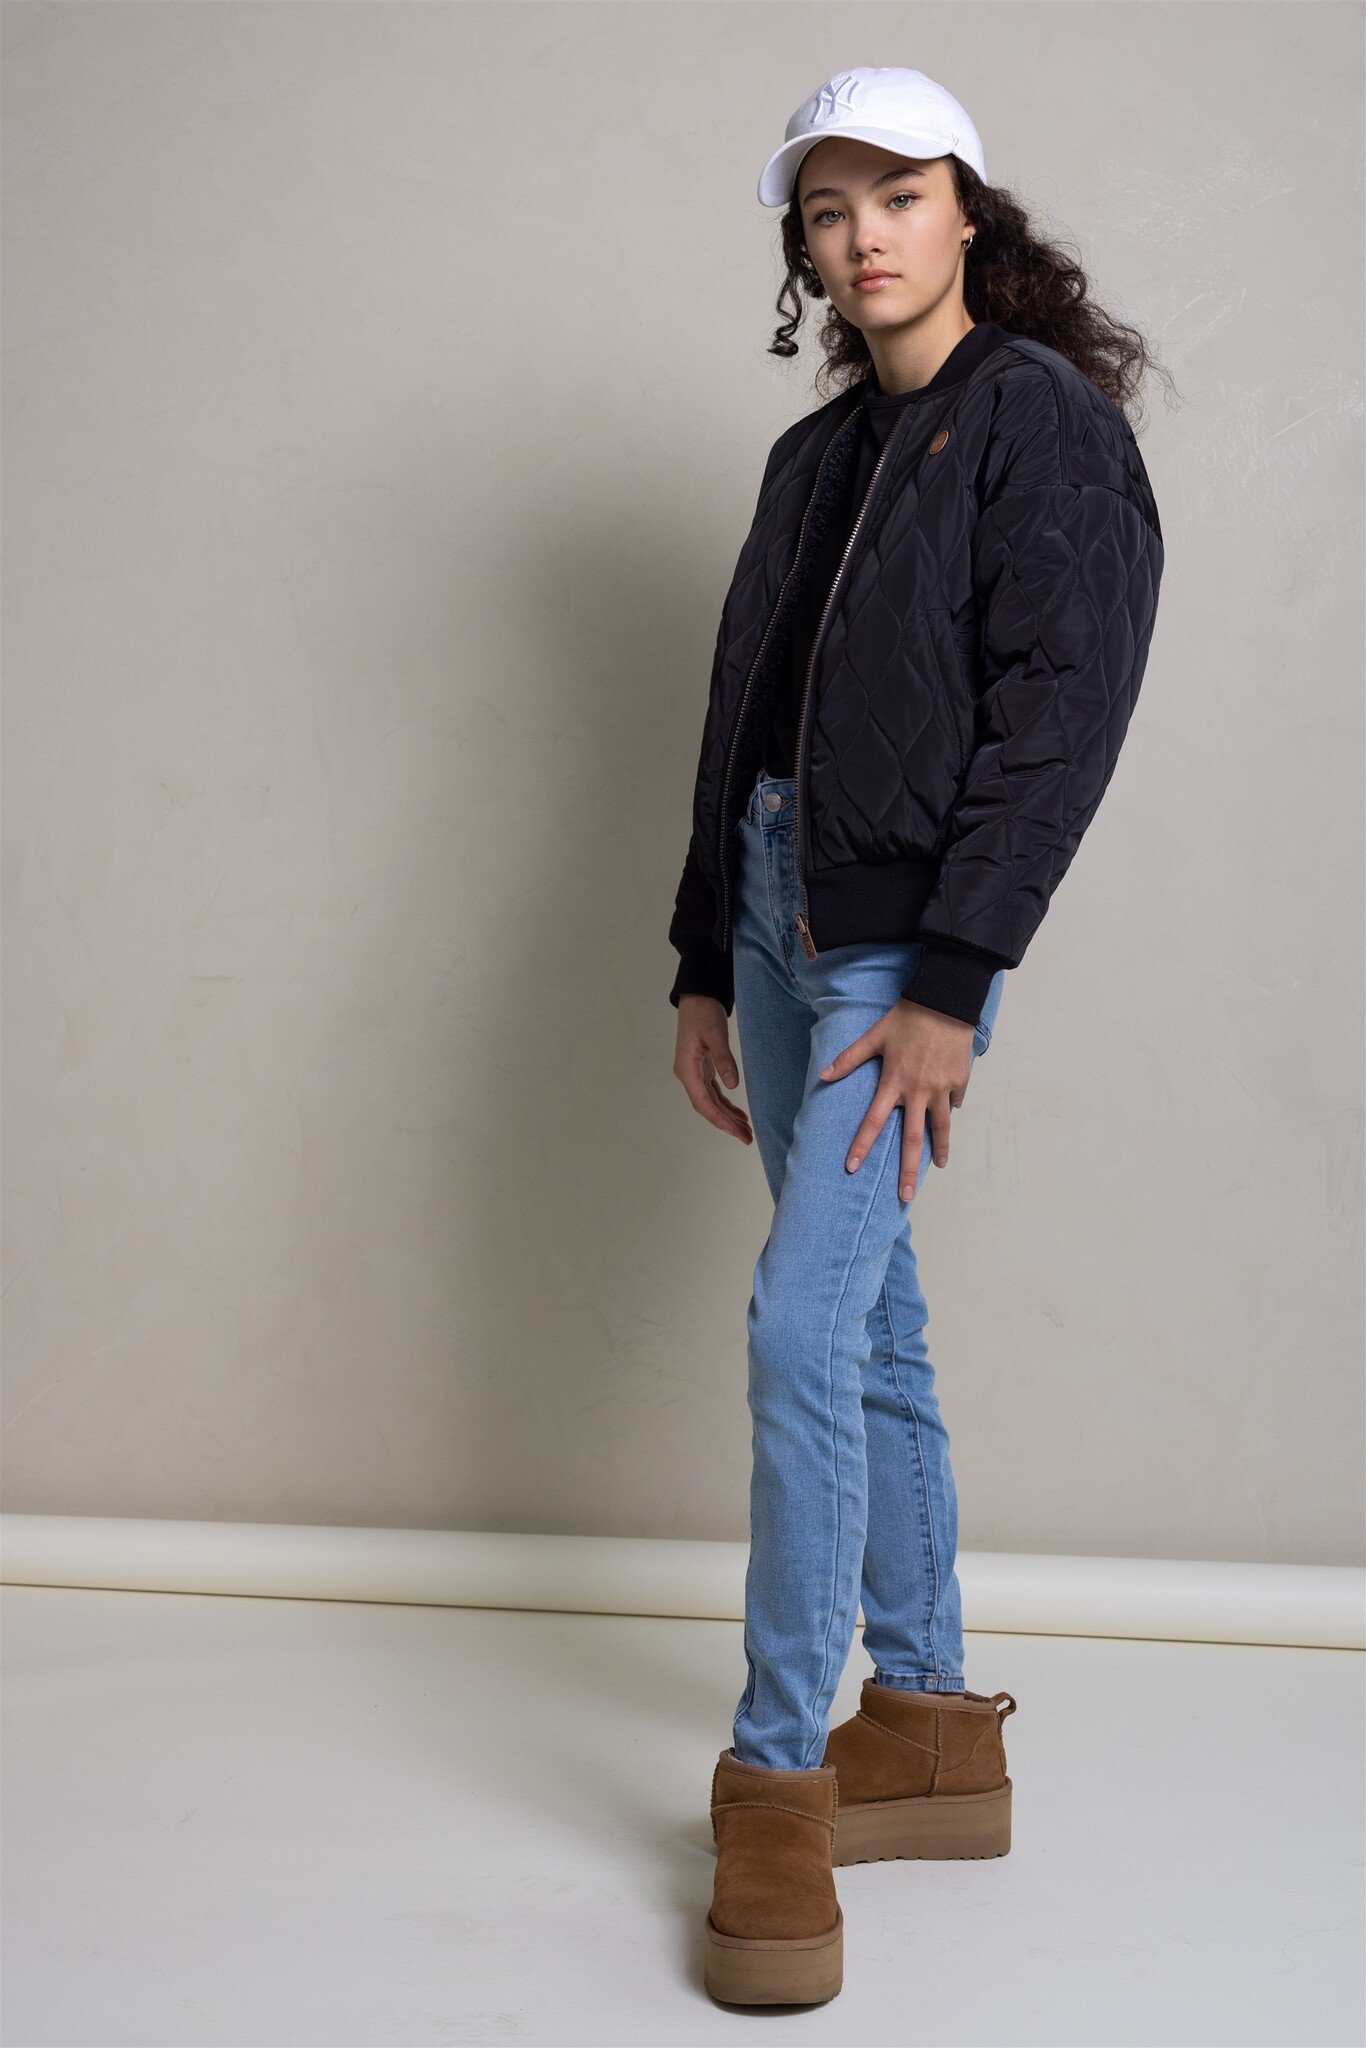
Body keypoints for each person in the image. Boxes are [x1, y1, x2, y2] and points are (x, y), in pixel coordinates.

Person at [667, 66, 1168, 2007]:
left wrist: (954, 979)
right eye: (825, 208)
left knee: (798, 1326)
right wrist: (697, 955)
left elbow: (1061, 708)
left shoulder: (1036, 421)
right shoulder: (813, 457)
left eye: (894, 194)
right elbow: (742, 709)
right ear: (802, 249)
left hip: (897, 951)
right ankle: (936, 1721)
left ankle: (776, 1775)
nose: (861, 234)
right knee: (865, 1322)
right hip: (773, 917)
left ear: (968, 210)